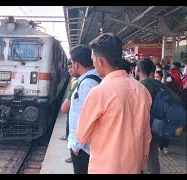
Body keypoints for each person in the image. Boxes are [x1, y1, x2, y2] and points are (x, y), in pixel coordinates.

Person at [75, 33, 152, 174]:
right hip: (134, 166)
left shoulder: (99, 92)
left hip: (105, 167)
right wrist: (141, 163)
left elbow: (81, 136)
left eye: (93, 60)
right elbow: (146, 133)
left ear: (100, 61)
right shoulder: (142, 90)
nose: (93, 64)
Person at [68, 45, 101, 174]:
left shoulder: (87, 83)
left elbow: (85, 117)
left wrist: (76, 145)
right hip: (86, 145)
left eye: (71, 63)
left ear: (76, 64)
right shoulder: (92, 79)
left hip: (84, 148)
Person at [59, 59, 78, 163]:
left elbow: (64, 109)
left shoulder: (79, 83)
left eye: (71, 67)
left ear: (77, 65)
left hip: (79, 143)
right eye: (68, 68)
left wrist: (76, 146)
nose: (69, 70)